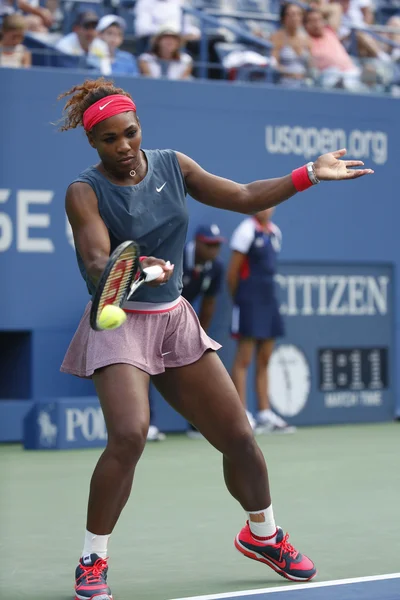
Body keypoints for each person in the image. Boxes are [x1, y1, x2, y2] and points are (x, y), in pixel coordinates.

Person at [58, 77, 372, 600]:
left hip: (174, 319)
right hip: (120, 319)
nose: (123, 146)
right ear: (93, 143)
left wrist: (308, 175)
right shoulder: (83, 192)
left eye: (129, 133)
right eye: (109, 139)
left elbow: (246, 196)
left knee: (239, 436)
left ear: (140, 128)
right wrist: (130, 265)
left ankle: (263, 535)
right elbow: (96, 262)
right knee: (130, 435)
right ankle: (93, 559)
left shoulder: (174, 166)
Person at [227, 208, 294, 434]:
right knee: (244, 359)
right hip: (248, 300)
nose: (267, 208)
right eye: (263, 204)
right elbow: (232, 273)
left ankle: (264, 413)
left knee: (265, 357)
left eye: (272, 204)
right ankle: (242, 413)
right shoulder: (245, 231)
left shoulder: (275, 233)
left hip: (268, 300)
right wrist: (241, 300)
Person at [182, 223, 225, 438]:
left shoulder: (216, 268)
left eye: (217, 245)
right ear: (197, 242)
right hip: (154, 314)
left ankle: (195, 424)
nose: (214, 250)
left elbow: (208, 304)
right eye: (209, 245)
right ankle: (149, 424)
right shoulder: (177, 257)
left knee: (199, 364)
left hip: (183, 320)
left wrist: (200, 337)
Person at [270, 3, 313, 87]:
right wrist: (291, 73)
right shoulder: (277, 37)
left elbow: (311, 65)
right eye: (292, 14)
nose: (295, 18)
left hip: (304, 83)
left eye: (299, 14)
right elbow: (274, 64)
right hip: (284, 83)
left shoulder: (307, 39)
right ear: (284, 18)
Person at [56, 11, 111, 75]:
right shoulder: (64, 45)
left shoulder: (101, 46)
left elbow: (106, 72)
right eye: (87, 27)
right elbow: (64, 73)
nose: (91, 32)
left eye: (94, 27)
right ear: (76, 29)